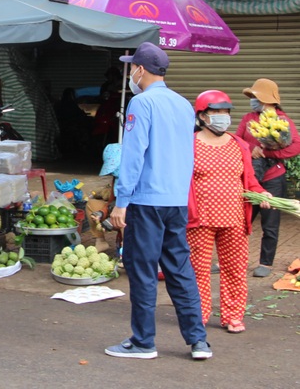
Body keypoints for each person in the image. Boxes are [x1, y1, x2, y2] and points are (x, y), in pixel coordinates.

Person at [105, 42, 212, 360]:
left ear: (140, 69)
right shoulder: (183, 105)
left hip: (146, 201)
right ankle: (198, 341)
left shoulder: (142, 104)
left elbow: (134, 155)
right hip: (175, 201)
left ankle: (143, 342)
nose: (130, 73)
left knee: (142, 271)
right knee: (180, 270)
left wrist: (122, 200)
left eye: (131, 67)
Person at [188, 90, 272, 334]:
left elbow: (250, 180)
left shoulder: (239, 144)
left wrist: (261, 193)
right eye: (216, 112)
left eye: (225, 112)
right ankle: (199, 315)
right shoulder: (189, 144)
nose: (222, 116)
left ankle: (233, 316)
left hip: (234, 219)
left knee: (235, 269)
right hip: (199, 220)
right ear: (202, 116)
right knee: (198, 271)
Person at [235, 78, 300, 277]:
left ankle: (266, 263)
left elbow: (295, 146)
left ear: (267, 99)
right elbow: (237, 140)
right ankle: (232, 259)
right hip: (250, 177)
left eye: (255, 97)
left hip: (273, 177)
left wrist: (267, 153)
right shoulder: (248, 118)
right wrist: (251, 149)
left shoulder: (282, 121)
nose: (253, 101)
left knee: (270, 223)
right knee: (240, 222)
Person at [86, 143, 121, 253]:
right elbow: (111, 202)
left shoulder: (141, 177)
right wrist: (101, 213)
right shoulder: (116, 179)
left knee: (126, 218)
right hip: (117, 211)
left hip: (133, 217)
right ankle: (100, 241)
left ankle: (126, 250)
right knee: (91, 205)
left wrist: (113, 218)